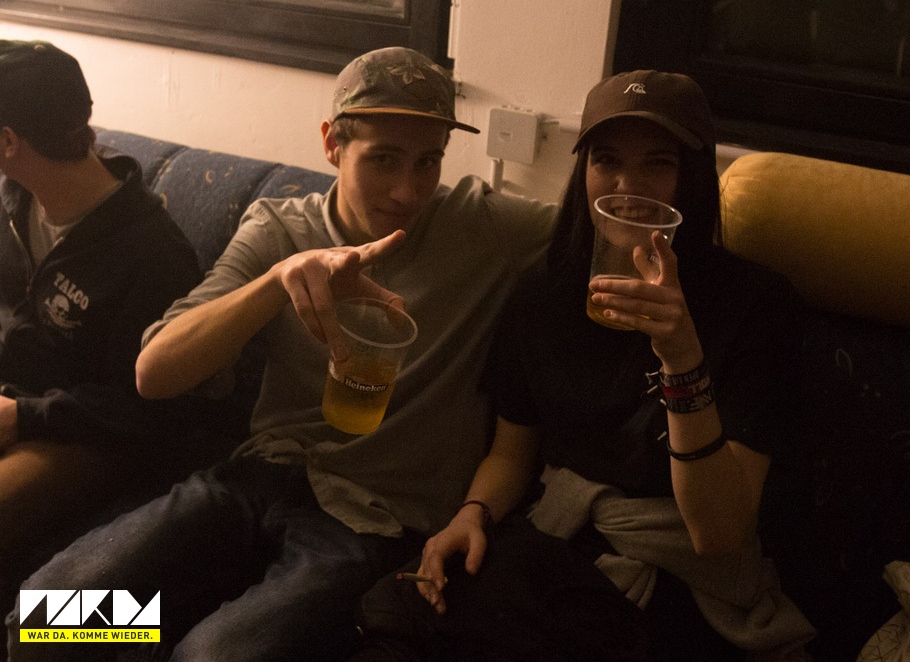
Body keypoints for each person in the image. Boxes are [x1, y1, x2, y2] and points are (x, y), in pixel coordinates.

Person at [6, 46, 556, 661]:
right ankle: (156, 621)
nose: (408, 191)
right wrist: (276, 283)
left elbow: (599, 224)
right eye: (383, 159)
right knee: (45, 619)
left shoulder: (483, 229)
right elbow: (155, 373)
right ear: (332, 144)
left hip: (372, 520)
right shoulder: (280, 228)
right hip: (254, 483)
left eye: (428, 161)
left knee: (213, 656)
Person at [353, 71, 818, 660]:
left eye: (658, 164)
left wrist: (681, 359)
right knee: (399, 614)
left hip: (676, 574)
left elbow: (719, 536)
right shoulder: (542, 293)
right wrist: (472, 514)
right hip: (557, 541)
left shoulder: (756, 306)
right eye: (607, 161)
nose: (628, 187)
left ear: (693, 179)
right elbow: (512, 453)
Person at [0, 40, 221, 618]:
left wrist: (24, 416)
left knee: (42, 624)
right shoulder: (16, 195)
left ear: (10, 141)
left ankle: (77, 629)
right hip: (25, 396)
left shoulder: (153, 256)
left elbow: (150, 412)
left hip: (92, 433)